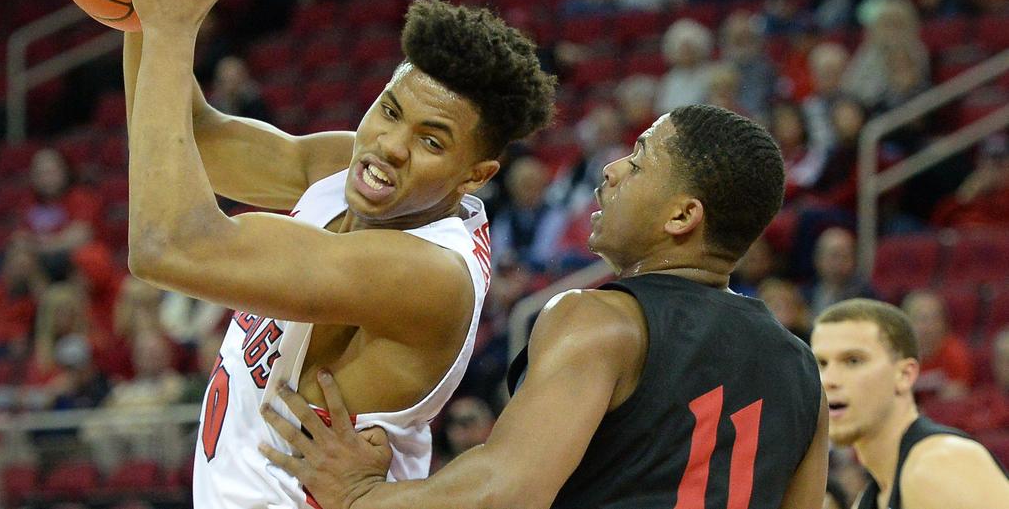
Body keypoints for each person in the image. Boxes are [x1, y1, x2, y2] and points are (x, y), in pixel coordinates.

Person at [100, 0, 556, 509]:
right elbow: (195, 137)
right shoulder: (355, 168)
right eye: (390, 110)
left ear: (476, 175)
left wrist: (171, 26)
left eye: (431, 141)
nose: (389, 145)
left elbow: (166, 245)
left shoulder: (429, 275)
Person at [261, 105, 829, 509]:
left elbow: (504, 492)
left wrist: (363, 497)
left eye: (639, 159)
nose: (611, 170)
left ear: (681, 217)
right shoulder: (803, 371)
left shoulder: (601, 320)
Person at [810, 299, 1008, 508]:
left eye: (853, 360)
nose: (828, 379)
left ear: (904, 375)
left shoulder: (938, 465)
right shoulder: (871, 496)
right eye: (821, 363)